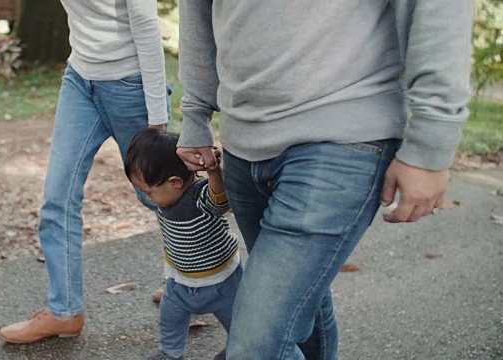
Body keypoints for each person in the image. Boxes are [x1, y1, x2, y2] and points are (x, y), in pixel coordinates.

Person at [175, 0, 473, 359]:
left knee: (255, 345)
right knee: (300, 308)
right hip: (243, 143)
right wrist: (195, 113)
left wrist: (431, 142)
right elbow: (197, 12)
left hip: (344, 136)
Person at [0, 0, 171, 344]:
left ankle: (199, 276)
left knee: (159, 193)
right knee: (57, 197)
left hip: (130, 85)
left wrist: (157, 118)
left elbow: (147, 27)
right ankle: (64, 312)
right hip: (80, 79)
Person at [124, 128, 241, 360]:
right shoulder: (165, 198)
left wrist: (214, 172)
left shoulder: (201, 199)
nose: (148, 197)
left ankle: (238, 349)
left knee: (240, 326)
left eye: (149, 192)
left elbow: (220, 201)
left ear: (175, 182)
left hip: (222, 284)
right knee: (170, 320)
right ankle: (170, 352)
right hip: (179, 282)